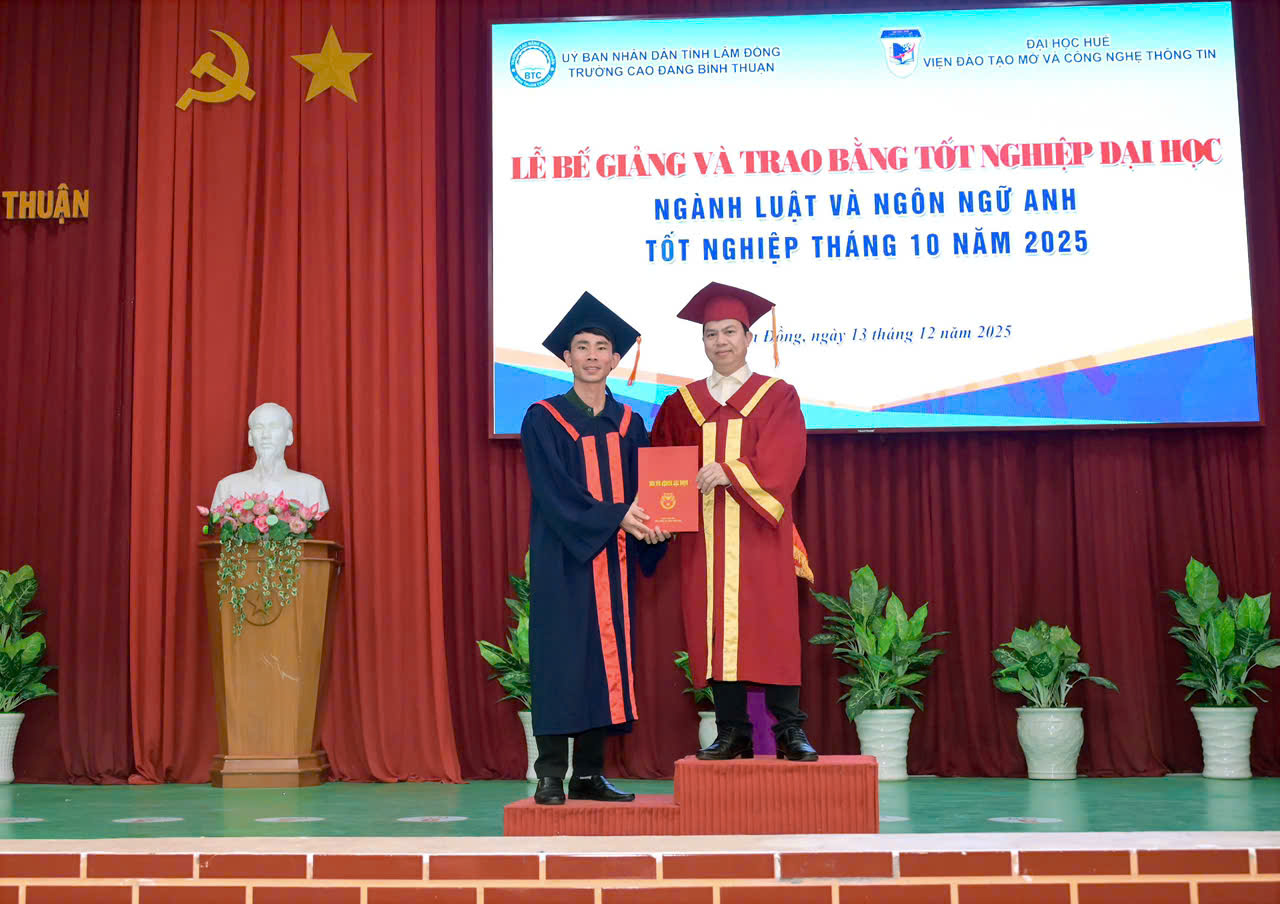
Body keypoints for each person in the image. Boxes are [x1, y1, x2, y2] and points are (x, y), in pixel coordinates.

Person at [650, 282, 817, 762]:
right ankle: (731, 732)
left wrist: (730, 471)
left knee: (772, 625)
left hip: (760, 533)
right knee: (713, 630)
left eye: (729, 332)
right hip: (703, 539)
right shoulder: (681, 404)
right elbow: (665, 466)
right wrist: (661, 513)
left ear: (748, 338)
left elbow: (785, 459)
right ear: (702, 341)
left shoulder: (777, 396)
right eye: (711, 334)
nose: (720, 341)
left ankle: (790, 731)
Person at [520, 291, 670, 805]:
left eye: (601, 347)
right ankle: (549, 774)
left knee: (604, 663)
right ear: (566, 357)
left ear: (614, 358)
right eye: (581, 346)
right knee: (560, 659)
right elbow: (554, 491)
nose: (591, 355)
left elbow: (650, 491)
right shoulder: (543, 418)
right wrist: (616, 517)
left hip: (614, 560)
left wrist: (656, 525)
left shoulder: (631, 424)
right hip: (563, 558)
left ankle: (588, 774)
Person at [211, 402, 329, 512]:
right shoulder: (227, 487)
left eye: (274, 427)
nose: (265, 435)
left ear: (289, 437)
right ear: (250, 438)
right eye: (259, 427)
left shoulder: (312, 488)